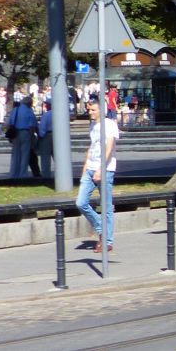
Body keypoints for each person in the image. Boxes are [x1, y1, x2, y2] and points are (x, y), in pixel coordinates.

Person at [77, 97, 118, 253]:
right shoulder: (93, 126)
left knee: (106, 206)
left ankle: (107, 241)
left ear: (101, 110)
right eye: (89, 110)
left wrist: (101, 169)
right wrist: (85, 169)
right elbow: (92, 147)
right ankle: (102, 228)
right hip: (90, 168)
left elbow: (109, 147)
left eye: (93, 110)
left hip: (105, 169)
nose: (90, 113)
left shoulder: (109, 125)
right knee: (81, 202)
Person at [6, 95, 38, 179]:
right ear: (29, 103)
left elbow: (9, 123)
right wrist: (32, 137)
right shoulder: (29, 111)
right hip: (25, 133)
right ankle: (23, 174)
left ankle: (14, 173)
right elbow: (32, 126)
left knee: (15, 154)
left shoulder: (15, 110)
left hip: (15, 133)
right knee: (25, 154)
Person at [37, 100, 53, 178]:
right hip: (57, 136)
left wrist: (40, 136)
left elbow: (42, 128)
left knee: (45, 157)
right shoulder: (60, 114)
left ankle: (46, 175)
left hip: (47, 135)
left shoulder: (46, 115)